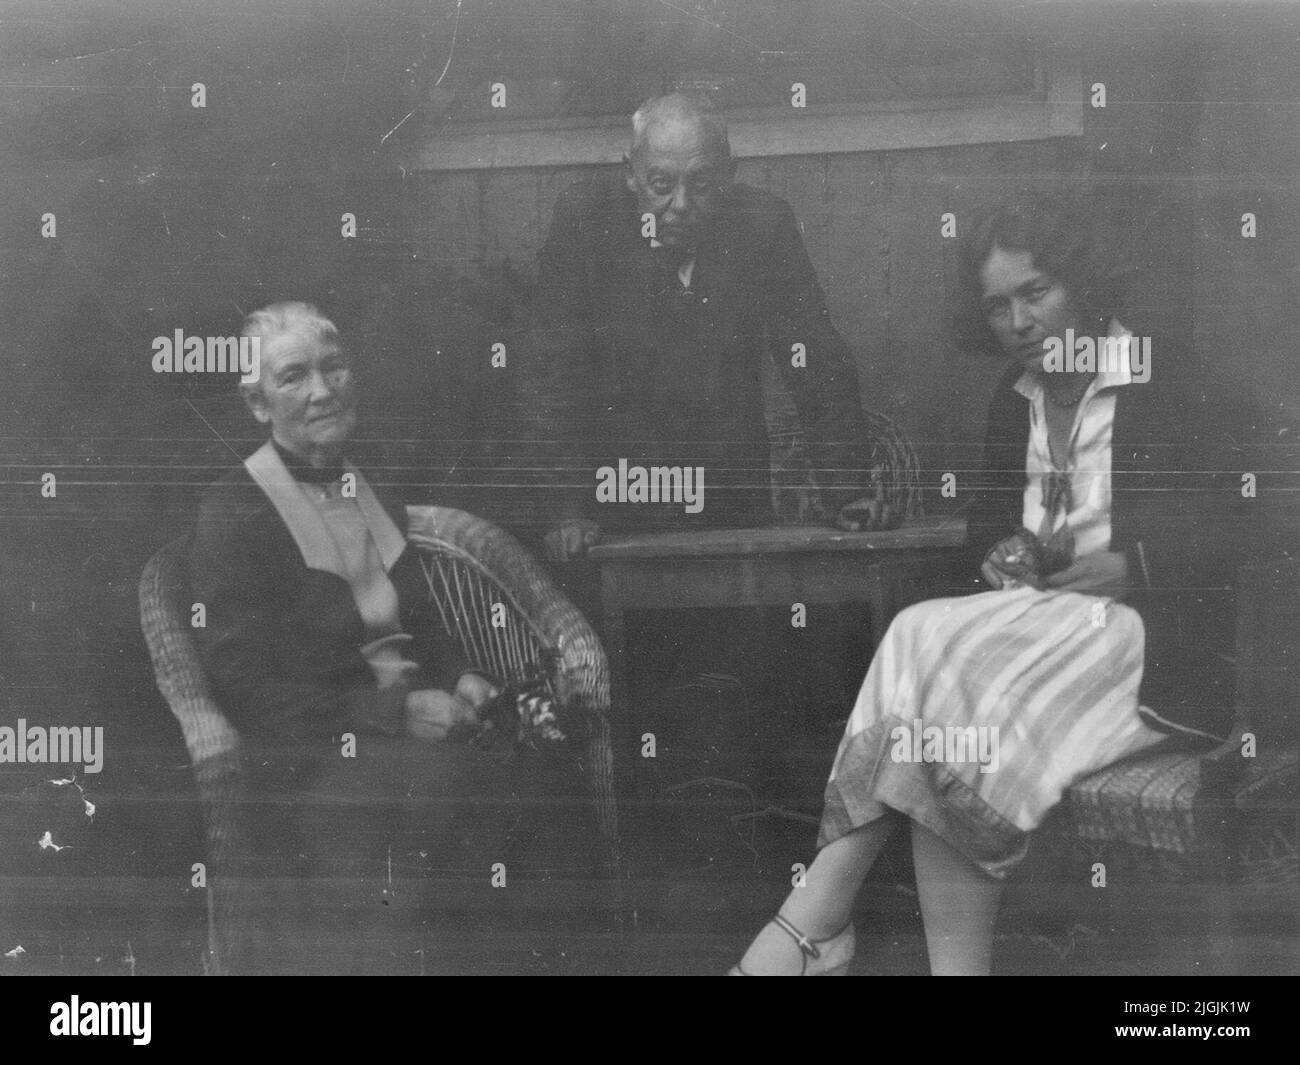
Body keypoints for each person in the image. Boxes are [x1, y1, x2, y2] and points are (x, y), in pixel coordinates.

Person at [730, 194, 1242, 976]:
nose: (1019, 321)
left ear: (1084, 283)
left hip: (1146, 649)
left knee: (937, 658)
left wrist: (1134, 564)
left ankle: (813, 924)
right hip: (1037, 642)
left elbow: (1248, 513)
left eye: (1036, 293)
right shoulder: (1016, 398)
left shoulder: (1163, 373)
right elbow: (988, 528)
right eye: (998, 306)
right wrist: (1002, 552)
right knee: (931, 676)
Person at [190, 302, 556, 974]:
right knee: (458, 794)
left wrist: (461, 675)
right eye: (294, 377)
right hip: (311, 761)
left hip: (405, 740)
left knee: (534, 784)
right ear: (257, 402)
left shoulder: (368, 484)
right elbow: (246, 688)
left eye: (334, 367)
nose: (324, 391)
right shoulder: (233, 512)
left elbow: (425, 617)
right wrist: (395, 712)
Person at [522, 91, 894, 558]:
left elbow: (814, 359)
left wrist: (848, 493)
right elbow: (551, 373)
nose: (679, 204)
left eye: (700, 185)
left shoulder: (764, 225)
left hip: (729, 496)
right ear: (629, 174)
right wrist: (565, 511)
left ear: (729, 177)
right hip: (612, 505)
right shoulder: (584, 223)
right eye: (661, 183)